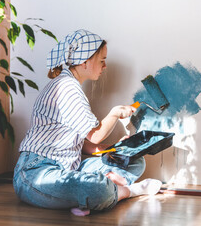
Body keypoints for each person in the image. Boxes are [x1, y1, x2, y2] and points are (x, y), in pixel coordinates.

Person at [13, 29, 162, 216]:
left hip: (69, 167)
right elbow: (96, 135)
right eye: (102, 60)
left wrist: (114, 149)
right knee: (98, 190)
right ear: (85, 61)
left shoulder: (70, 86)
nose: (105, 66)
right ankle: (125, 191)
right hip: (35, 173)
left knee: (135, 162)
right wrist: (115, 113)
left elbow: (80, 143)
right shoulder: (66, 88)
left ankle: (90, 195)